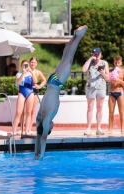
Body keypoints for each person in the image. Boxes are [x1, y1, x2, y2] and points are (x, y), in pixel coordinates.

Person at [35, 25, 88, 160]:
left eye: (51, 127)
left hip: (56, 84)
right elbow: (38, 136)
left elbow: (43, 137)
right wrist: (36, 153)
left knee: (69, 60)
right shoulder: (39, 117)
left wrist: (41, 155)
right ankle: (75, 36)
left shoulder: (46, 119)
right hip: (51, 83)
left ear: (49, 127)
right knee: (65, 58)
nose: (53, 125)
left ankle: (79, 36)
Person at [82, 47, 109, 135]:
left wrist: (103, 73)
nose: (96, 56)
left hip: (101, 87)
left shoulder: (104, 63)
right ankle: (88, 128)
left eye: (97, 54)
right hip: (91, 87)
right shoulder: (90, 63)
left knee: (100, 107)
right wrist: (90, 59)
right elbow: (83, 70)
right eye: (94, 54)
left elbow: (108, 78)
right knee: (90, 107)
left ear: (100, 54)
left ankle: (99, 128)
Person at [13, 60, 37, 135]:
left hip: (30, 92)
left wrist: (32, 73)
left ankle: (26, 131)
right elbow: (18, 82)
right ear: (21, 66)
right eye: (24, 65)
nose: (25, 66)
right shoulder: (18, 74)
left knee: (29, 112)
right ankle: (14, 130)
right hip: (21, 92)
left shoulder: (31, 73)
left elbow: (35, 81)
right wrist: (23, 74)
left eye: (27, 65)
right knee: (18, 112)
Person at [106, 56, 124, 134]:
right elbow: (107, 80)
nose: (117, 64)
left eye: (118, 62)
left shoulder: (123, 72)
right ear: (113, 62)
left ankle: (122, 129)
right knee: (110, 112)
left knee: (122, 112)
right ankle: (110, 129)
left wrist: (119, 80)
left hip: (120, 93)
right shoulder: (111, 71)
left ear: (121, 63)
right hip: (112, 93)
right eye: (115, 62)